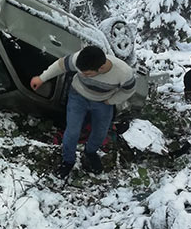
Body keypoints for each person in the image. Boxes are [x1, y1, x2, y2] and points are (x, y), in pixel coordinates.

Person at [30, 46, 136, 178]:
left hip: (103, 102)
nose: (83, 75)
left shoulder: (123, 72)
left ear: (101, 68)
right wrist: (41, 78)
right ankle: (68, 161)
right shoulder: (79, 58)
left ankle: (90, 152)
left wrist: (111, 101)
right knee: (72, 131)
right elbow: (60, 65)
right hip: (78, 96)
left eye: (87, 74)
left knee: (100, 133)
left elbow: (129, 90)